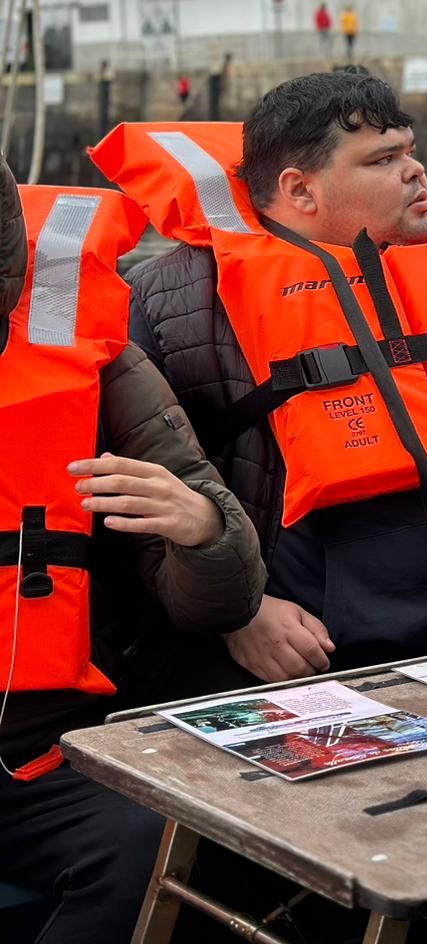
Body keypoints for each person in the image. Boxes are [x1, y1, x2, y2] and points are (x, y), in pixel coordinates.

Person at [94, 69, 427, 693]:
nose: (415, 170)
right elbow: (137, 489)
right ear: (300, 190)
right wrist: (238, 614)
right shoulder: (175, 302)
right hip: (309, 648)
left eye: (410, 150)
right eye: (383, 159)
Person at [0, 160, 265, 942]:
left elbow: (221, 591)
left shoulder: (98, 361)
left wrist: (205, 531)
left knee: (150, 846)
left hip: (40, 751)